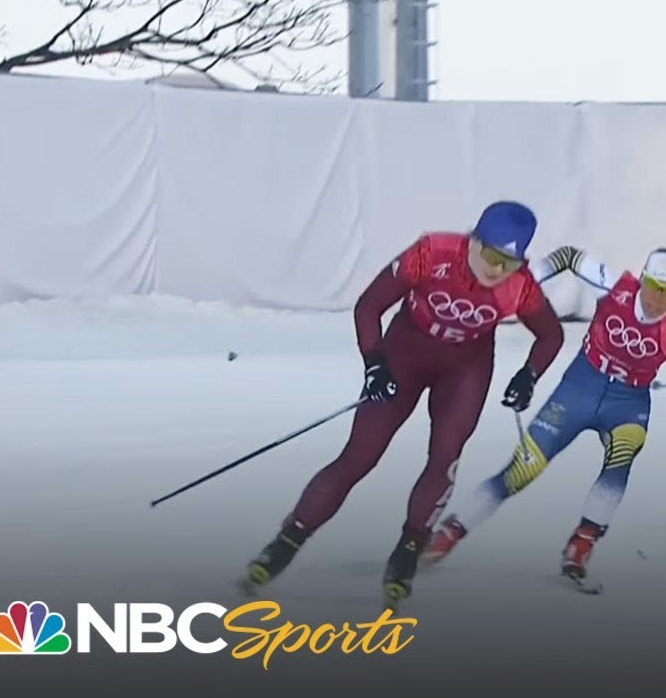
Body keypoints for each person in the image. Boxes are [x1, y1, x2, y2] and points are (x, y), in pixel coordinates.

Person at [242, 200, 565, 606]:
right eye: (491, 255)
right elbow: (369, 306)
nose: (497, 270)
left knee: (445, 454)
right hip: (405, 354)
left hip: (465, 368)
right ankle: (287, 540)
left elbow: (551, 336)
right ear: (473, 240)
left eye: (510, 263)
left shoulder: (521, 286)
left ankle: (410, 548)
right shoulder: (432, 253)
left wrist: (529, 375)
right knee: (359, 456)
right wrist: (374, 364)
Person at [420, 245, 666, 587]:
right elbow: (568, 256)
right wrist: (524, 284)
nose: (657, 298)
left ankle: (583, 541)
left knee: (621, 458)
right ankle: (452, 530)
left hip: (628, 403)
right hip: (580, 387)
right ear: (642, 278)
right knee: (524, 467)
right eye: (653, 285)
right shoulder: (615, 288)